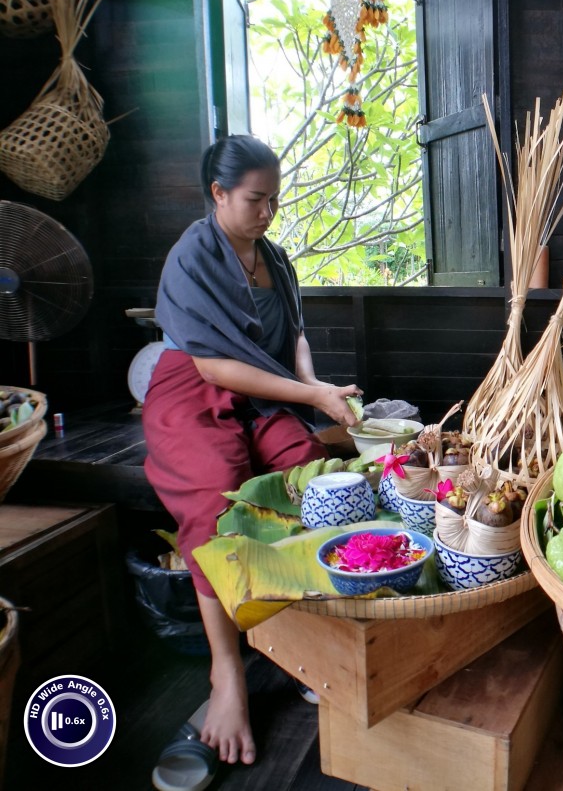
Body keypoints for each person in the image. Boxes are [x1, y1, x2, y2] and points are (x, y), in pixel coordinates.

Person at [143, 134, 360, 766]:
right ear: (219, 194)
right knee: (216, 490)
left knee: (307, 477)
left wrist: (313, 388)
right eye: (255, 200)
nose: (267, 213)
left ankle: (297, 643)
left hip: (266, 384)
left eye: (274, 200)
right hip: (193, 384)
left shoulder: (278, 259)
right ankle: (226, 671)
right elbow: (213, 367)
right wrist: (307, 395)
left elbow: (294, 340)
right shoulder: (191, 257)